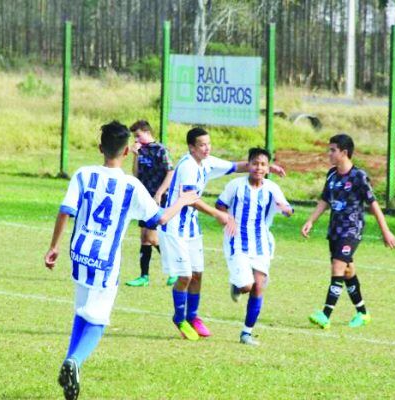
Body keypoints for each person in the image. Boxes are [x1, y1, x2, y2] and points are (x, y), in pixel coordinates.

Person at [44, 121, 198, 400]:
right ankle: (75, 361)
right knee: (99, 320)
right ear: (127, 151)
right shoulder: (132, 186)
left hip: (78, 254)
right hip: (105, 261)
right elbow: (160, 219)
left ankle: (69, 364)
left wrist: (53, 247)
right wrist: (184, 200)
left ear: (100, 147)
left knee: (82, 312)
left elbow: (65, 210)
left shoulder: (83, 174)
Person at [160, 127, 286, 341]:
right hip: (174, 227)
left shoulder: (206, 161)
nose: (207, 148)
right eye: (202, 145)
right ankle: (179, 318)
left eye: (208, 144)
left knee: (198, 274)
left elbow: (237, 166)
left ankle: (192, 316)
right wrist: (217, 213)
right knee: (185, 276)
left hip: (191, 226)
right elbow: (190, 197)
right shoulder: (188, 166)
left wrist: (269, 168)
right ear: (191, 147)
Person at [301, 133, 395, 330]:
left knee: (337, 267)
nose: (329, 153)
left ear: (344, 153)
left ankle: (325, 315)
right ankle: (362, 313)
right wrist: (311, 220)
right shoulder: (332, 174)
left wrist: (385, 231)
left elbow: (374, 204)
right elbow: (325, 200)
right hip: (334, 230)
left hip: (351, 230)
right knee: (347, 271)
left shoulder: (358, 176)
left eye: (332, 150)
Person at [215, 147, 293, 346]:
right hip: (237, 242)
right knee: (247, 286)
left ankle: (246, 333)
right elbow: (220, 204)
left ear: (268, 168)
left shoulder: (271, 188)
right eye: (255, 163)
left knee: (259, 286)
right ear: (248, 165)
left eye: (263, 164)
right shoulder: (236, 185)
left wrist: (286, 210)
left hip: (261, 244)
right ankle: (238, 286)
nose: (259, 167)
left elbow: (286, 208)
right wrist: (226, 219)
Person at [124, 120, 177, 287]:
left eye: (138, 135)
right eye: (134, 137)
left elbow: (170, 172)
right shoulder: (141, 151)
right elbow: (136, 174)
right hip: (144, 198)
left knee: (151, 237)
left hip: (159, 199)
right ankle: (144, 277)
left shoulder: (161, 150)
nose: (136, 140)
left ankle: (175, 269)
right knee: (144, 238)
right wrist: (136, 156)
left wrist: (159, 193)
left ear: (147, 132)